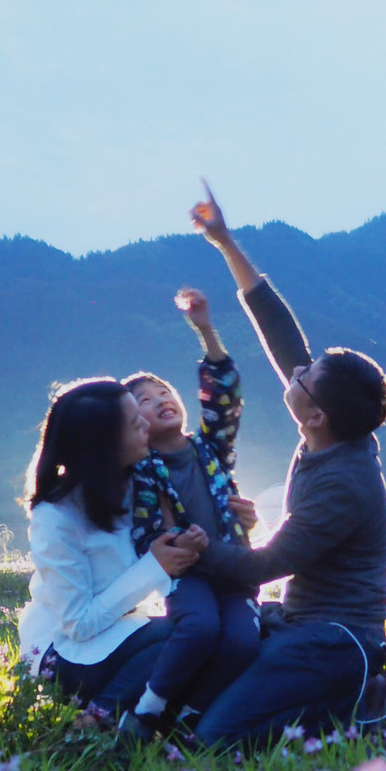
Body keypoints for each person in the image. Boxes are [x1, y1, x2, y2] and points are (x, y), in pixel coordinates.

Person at [185, 183, 386, 747]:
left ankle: (362, 702)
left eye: (304, 378)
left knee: (216, 738)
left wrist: (194, 547)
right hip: (298, 624)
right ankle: (340, 693)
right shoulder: (332, 431)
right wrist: (224, 242)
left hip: (336, 639)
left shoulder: (344, 482)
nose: (296, 374)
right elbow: (278, 327)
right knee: (195, 694)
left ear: (318, 415)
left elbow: (266, 566)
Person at [116, 286, 263, 739]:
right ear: (132, 423)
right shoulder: (139, 470)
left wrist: (205, 329)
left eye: (164, 390)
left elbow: (224, 398)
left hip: (233, 569)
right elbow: (142, 535)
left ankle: (189, 715)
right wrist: (175, 542)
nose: (160, 398)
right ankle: (146, 710)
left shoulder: (210, 448)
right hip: (186, 574)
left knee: (242, 641)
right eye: (144, 399)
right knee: (199, 627)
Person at [18, 378, 205, 729]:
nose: (147, 424)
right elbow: (78, 623)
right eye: (136, 423)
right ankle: (98, 718)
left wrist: (238, 518)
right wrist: (155, 566)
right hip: (63, 649)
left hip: (124, 633)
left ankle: (151, 717)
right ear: (105, 445)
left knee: (211, 631)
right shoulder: (55, 518)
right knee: (185, 638)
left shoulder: (140, 484)